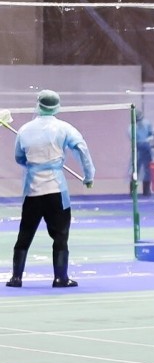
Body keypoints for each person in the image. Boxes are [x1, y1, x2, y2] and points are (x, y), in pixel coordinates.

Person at [6, 89, 96, 288]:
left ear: (38, 104)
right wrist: (89, 176)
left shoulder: (24, 130)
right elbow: (81, 149)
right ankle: (60, 278)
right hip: (56, 191)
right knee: (61, 236)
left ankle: (16, 278)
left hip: (32, 192)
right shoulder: (65, 128)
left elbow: (19, 158)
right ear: (57, 106)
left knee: (25, 234)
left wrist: (34, 165)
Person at [132, 110, 154, 196]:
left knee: (147, 170)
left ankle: (146, 190)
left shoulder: (147, 124)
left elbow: (153, 134)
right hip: (138, 148)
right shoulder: (132, 127)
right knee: (135, 169)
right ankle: (133, 191)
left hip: (146, 149)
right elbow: (134, 139)